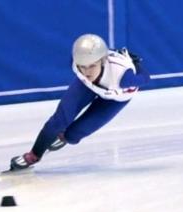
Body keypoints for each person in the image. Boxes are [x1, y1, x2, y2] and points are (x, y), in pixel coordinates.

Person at [10, 33, 150, 170]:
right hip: (87, 87)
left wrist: (136, 64)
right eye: (82, 66)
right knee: (58, 122)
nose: (87, 72)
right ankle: (33, 155)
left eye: (92, 66)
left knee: (74, 134)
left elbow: (146, 77)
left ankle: (64, 137)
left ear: (102, 61)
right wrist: (36, 152)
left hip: (115, 98)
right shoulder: (77, 63)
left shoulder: (124, 78)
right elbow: (90, 62)